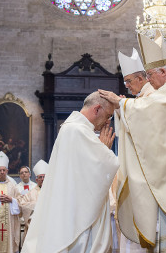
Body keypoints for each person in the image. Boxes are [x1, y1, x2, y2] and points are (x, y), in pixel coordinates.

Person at [99, 31, 166, 252]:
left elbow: (152, 114)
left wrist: (122, 106)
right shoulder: (155, 95)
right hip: (159, 169)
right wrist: (124, 108)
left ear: (162, 72)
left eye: (149, 75)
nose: (148, 79)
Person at [22, 91, 119, 253]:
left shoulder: (74, 129)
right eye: (108, 116)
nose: (108, 122)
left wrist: (101, 150)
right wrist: (104, 151)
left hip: (76, 208)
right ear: (96, 109)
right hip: (77, 216)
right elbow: (95, 174)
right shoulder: (77, 131)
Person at [115, 48, 154, 252]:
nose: (127, 85)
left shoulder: (151, 93)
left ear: (141, 77)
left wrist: (123, 104)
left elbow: (149, 123)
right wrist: (123, 108)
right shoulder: (140, 97)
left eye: (129, 81)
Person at [0, 151, 21, 253]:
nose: (2, 172)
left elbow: (20, 201)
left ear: (7, 171)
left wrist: (12, 200)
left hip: (9, 223)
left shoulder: (12, 185)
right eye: (0, 170)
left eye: (4, 170)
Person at [20, 160, 48, 240]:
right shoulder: (30, 193)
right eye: (40, 177)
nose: (42, 179)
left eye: (44, 177)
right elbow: (23, 205)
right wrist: (36, 205)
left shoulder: (53, 192)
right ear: (36, 180)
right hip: (34, 227)